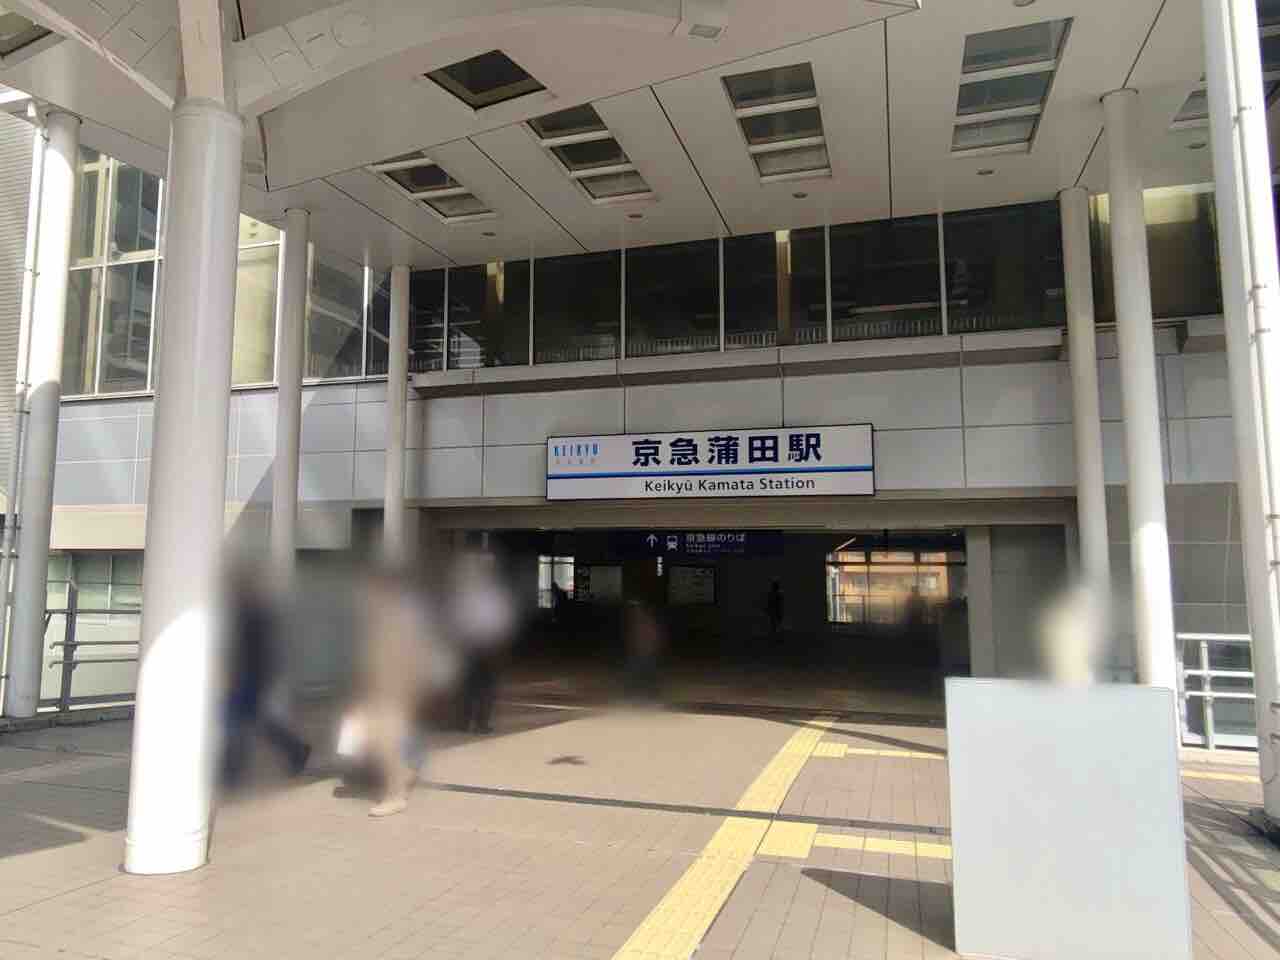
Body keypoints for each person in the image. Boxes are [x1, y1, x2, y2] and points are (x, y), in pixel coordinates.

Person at [221, 560, 310, 788]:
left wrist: (237, 674)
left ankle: (232, 771)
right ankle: (295, 750)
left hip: (250, 674)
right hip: (253, 674)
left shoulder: (251, 610)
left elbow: (250, 649)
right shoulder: (250, 609)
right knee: (251, 719)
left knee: (239, 719)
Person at [450, 551, 516, 734]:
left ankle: (466, 722)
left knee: (472, 685)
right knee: (481, 686)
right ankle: (476, 723)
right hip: (480, 644)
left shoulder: (470, 590)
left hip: (476, 644)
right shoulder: (489, 592)